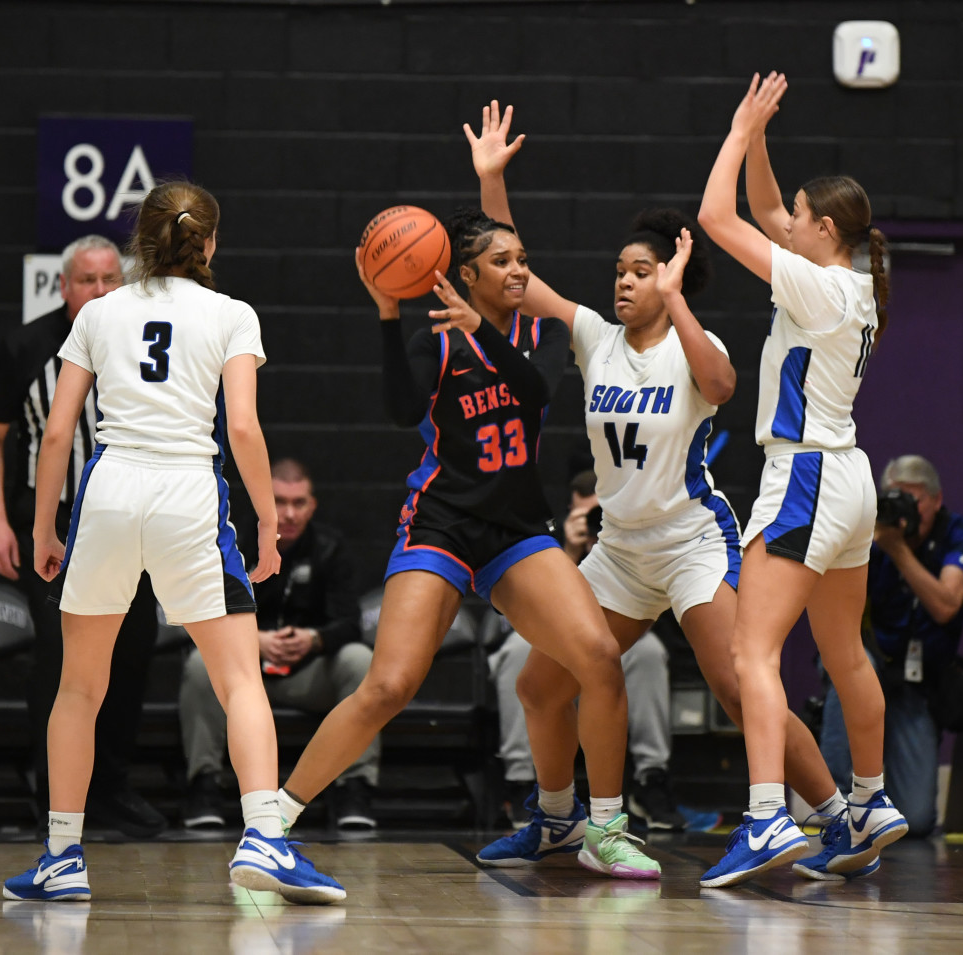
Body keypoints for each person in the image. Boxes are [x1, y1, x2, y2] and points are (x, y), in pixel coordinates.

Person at [464, 101, 852, 874]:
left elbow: (724, 383)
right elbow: (516, 280)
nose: (624, 282)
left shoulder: (694, 344)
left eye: (641, 271)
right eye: (619, 271)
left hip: (690, 543)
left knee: (742, 687)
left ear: (672, 279)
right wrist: (492, 185)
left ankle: (838, 817)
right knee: (541, 683)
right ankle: (555, 821)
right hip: (619, 551)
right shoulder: (592, 337)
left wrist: (676, 301)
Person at [276, 206, 662, 881]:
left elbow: (534, 389)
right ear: (465, 272)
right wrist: (389, 315)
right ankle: (271, 825)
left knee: (598, 655)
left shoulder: (544, 333)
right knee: (390, 683)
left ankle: (600, 826)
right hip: (443, 521)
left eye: (522, 258)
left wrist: (482, 327)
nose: (519, 269)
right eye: (503, 261)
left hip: (515, 527)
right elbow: (401, 410)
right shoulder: (438, 339)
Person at [2, 181, 343, 905]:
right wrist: (264, 522)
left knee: (77, 687)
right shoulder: (230, 313)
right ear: (210, 241)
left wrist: (42, 528)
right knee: (239, 678)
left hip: (113, 488)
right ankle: (263, 838)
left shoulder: (99, 309)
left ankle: (62, 854)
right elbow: (243, 429)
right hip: (188, 491)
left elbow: (58, 431)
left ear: (139, 243)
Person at [695, 72, 908, 885]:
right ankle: (868, 800)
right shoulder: (851, 284)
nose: (782, 226)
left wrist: (737, 125)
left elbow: (720, 218)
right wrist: (758, 140)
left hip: (806, 473)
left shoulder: (816, 288)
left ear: (824, 230)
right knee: (845, 652)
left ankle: (763, 818)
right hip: (850, 476)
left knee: (754, 652)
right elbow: (762, 209)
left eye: (796, 221)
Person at [0, 234, 166, 839]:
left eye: (112, 278)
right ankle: (55, 801)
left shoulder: (142, 339)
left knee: (133, 651)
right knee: (61, 659)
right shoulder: (28, 345)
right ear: (63, 286)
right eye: (89, 280)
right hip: (54, 522)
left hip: (128, 517)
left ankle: (109, 790)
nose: (102, 290)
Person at [180, 457, 380, 831]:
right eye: (278, 502)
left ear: (312, 505)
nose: (288, 513)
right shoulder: (233, 543)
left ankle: (355, 787)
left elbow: (350, 624)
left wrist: (314, 639)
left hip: (308, 674)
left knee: (359, 660)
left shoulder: (330, 548)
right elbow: (203, 611)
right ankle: (203, 785)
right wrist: (253, 640)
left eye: (298, 502)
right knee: (197, 664)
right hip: (243, 675)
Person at [490, 471, 686, 831]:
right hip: (552, 635)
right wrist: (569, 550)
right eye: (588, 514)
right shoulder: (549, 536)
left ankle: (651, 779)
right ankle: (521, 782)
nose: (596, 521)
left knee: (649, 653)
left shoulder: (633, 528)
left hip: (620, 631)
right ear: (570, 509)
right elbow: (525, 610)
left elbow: (658, 611)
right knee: (519, 654)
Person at [819, 455, 963, 835]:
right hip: (869, 665)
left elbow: (945, 605)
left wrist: (898, 551)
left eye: (914, 499)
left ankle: (878, 796)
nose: (905, 510)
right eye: (894, 499)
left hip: (918, 681)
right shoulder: (869, 534)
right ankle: (835, 804)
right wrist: (866, 543)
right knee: (848, 664)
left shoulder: (961, 534)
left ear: (936, 499)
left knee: (919, 820)